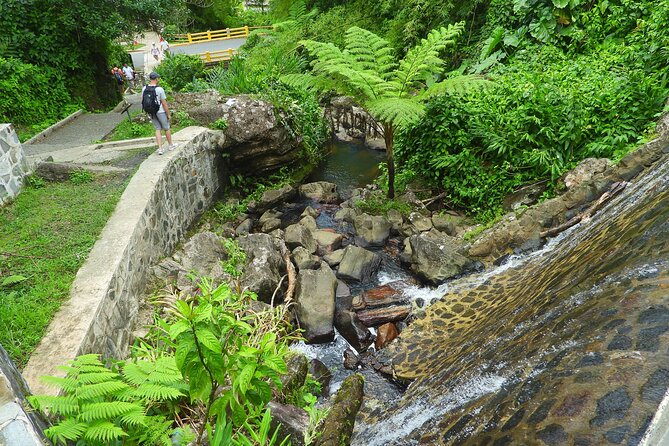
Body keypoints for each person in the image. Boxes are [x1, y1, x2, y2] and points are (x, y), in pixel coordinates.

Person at [142, 72, 177, 155]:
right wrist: (168, 114)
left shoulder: (144, 88)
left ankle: (160, 149)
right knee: (166, 128)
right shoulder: (159, 89)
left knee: (157, 128)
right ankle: (171, 145)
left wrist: (147, 111)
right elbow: (164, 103)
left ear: (150, 79)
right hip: (160, 111)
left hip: (151, 111)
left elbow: (142, 101)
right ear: (156, 79)